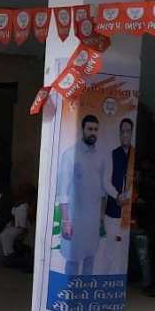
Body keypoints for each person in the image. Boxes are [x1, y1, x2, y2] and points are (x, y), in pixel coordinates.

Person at [57, 114, 106, 275]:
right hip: (74, 219)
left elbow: (102, 190)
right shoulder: (70, 154)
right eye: (90, 129)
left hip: (92, 221)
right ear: (82, 130)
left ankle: (85, 290)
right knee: (73, 259)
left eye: (96, 129)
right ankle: (70, 290)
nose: (93, 132)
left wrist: (101, 218)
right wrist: (66, 221)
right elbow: (63, 191)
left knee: (90, 259)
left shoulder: (100, 157)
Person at [98, 118, 135, 274]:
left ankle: (118, 281)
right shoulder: (112, 155)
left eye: (128, 131)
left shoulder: (135, 155)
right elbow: (106, 181)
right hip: (113, 211)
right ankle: (105, 281)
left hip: (129, 212)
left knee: (124, 249)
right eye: (123, 131)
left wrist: (128, 197)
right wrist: (117, 196)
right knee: (110, 248)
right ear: (119, 134)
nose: (125, 134)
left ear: (132, 133)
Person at [0, 184, 36, 267]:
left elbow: (29, 219)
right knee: (3, 235)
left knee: (6, 235)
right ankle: (8, 255)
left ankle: (10, 256)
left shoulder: (28, 204)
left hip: (22, 227)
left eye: (21, 190)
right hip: (15, 225)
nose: (19, 192)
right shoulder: (18, 202)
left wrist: (24, 229)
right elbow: (13, 215)